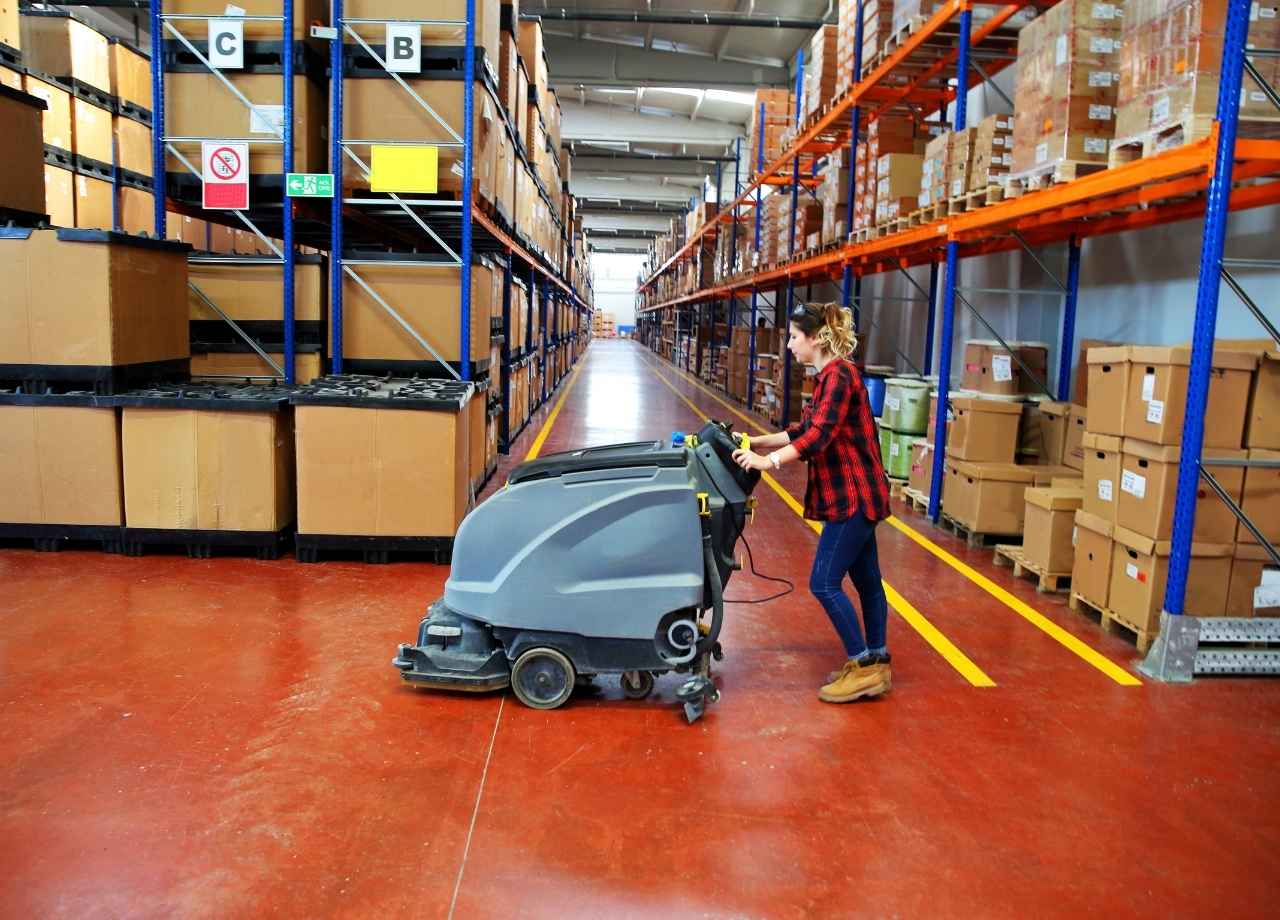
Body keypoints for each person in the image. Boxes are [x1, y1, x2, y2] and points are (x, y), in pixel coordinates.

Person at [731, 301, 893, 703]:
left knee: (823, 583)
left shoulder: (839, 376)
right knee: (868, 583)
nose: (788, 345)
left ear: (817, 338)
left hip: (853, 497)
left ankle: (862, 667)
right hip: (856, 495)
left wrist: (765, 462)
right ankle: (876, 660)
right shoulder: (828, 377)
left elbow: (816, 439)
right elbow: (802, 430)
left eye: (793, 337)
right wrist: (752, 442)